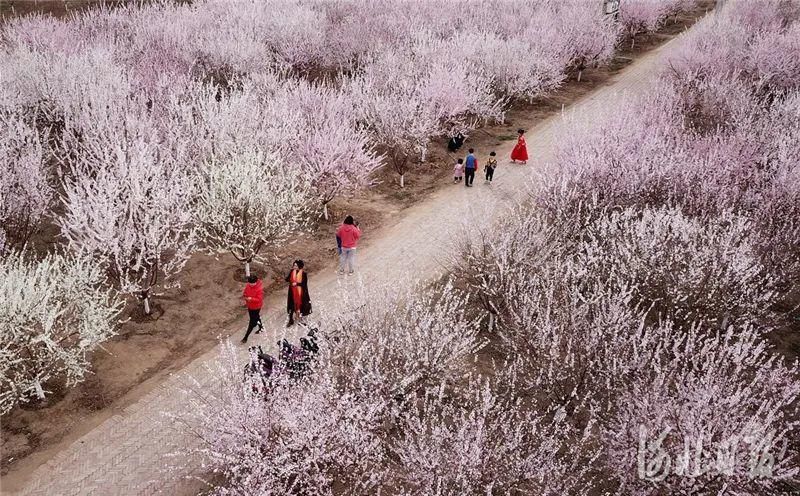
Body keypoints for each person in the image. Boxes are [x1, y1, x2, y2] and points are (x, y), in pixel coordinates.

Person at [286, 260, 312, 326]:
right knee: (291, 305)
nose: (294, 267)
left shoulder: (303, 274)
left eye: (296, 266)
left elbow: (304, 284)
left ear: (299, 266)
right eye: (294, 265)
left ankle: (301, 319)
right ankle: (290, 320)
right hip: (292, 292)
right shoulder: (292, 272)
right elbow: (287, 279)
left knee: (301, 306)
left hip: (301, 293)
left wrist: (297, 283)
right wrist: (289, 279)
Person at [241, 275, 264, 343]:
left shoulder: (259, 289)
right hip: (250, 305)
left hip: (256, 307)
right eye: (250, 283)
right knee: (256, 317)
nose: (251, 285)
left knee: (252, 321)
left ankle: (246, 337)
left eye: (252, 283)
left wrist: (251, 299)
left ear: (256, 282)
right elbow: (245, 292)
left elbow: (259, 299)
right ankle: (261, 327)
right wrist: (245, 295)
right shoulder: (248, 285)